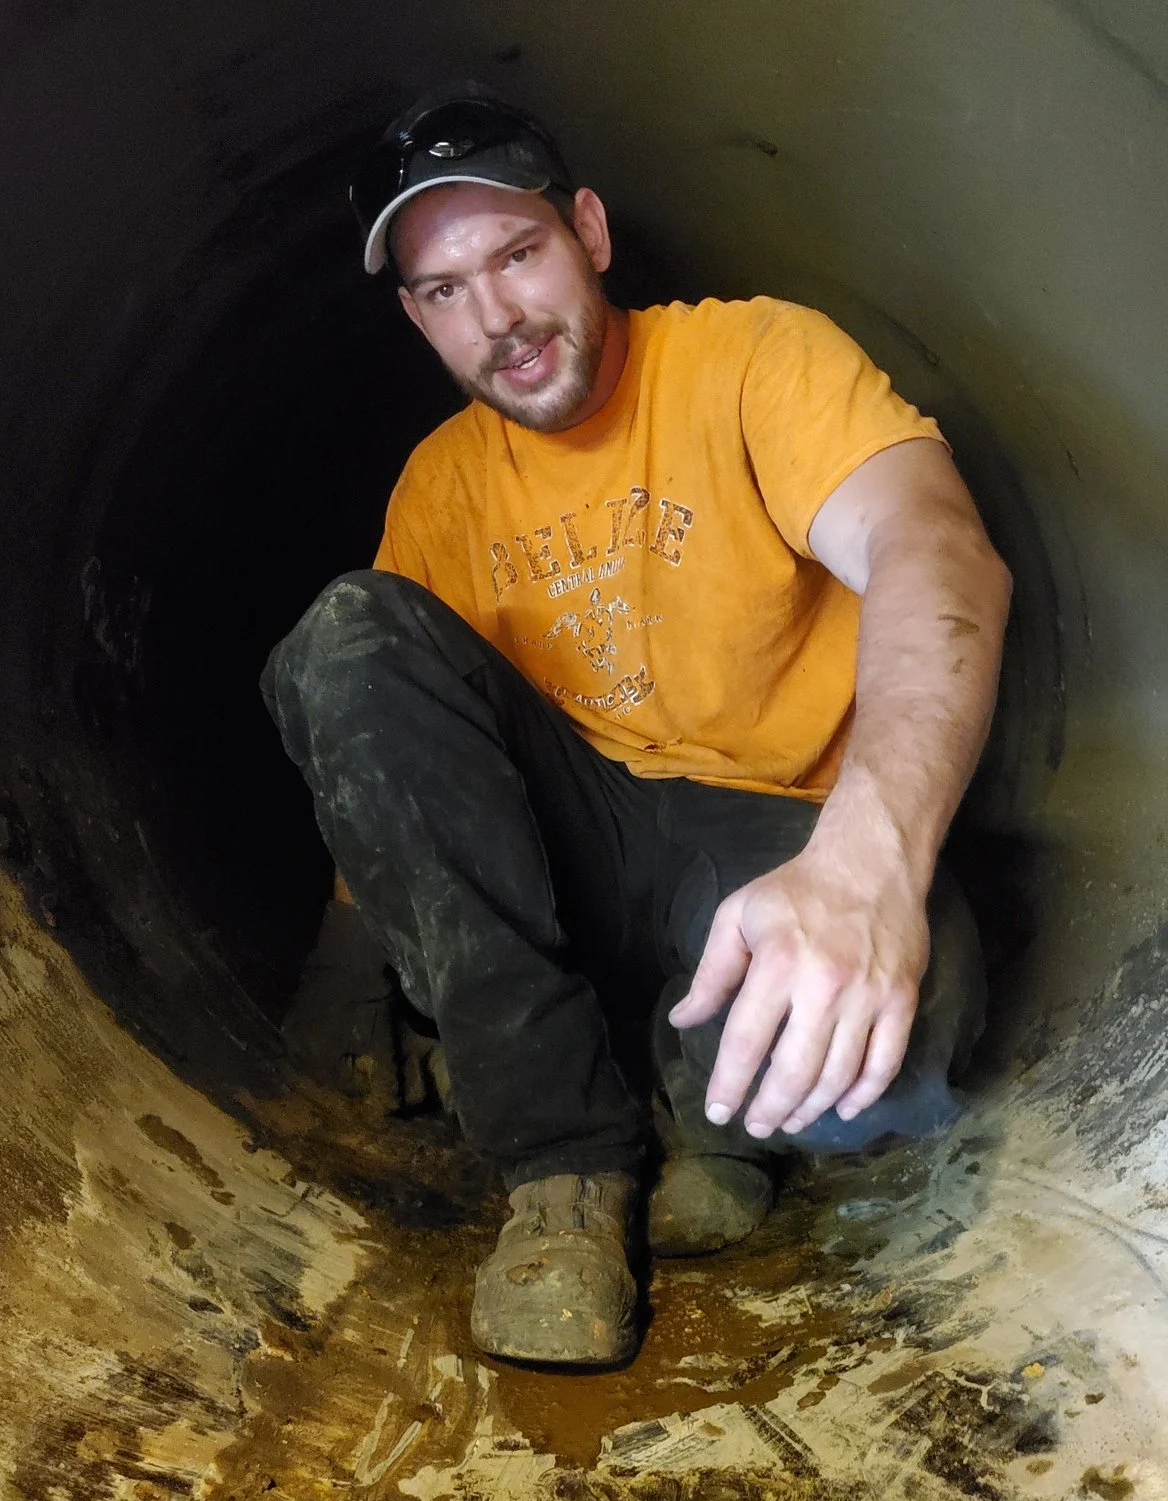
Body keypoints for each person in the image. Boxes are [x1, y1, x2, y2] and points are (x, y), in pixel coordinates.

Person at [262, 85, 1011, 1367]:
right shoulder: (442, 485)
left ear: (591, 233)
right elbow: (388, 740)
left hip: (768, 842)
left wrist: (872, 865)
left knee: (908, 1034)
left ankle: (704, 1095)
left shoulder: (751, 359)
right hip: (576, 835)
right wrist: (348, 960)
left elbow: (934, 550)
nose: (497, 318)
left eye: (518, 254)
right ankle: (562, 1165)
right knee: (344, 627)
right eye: (446, 292)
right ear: (414, 316)